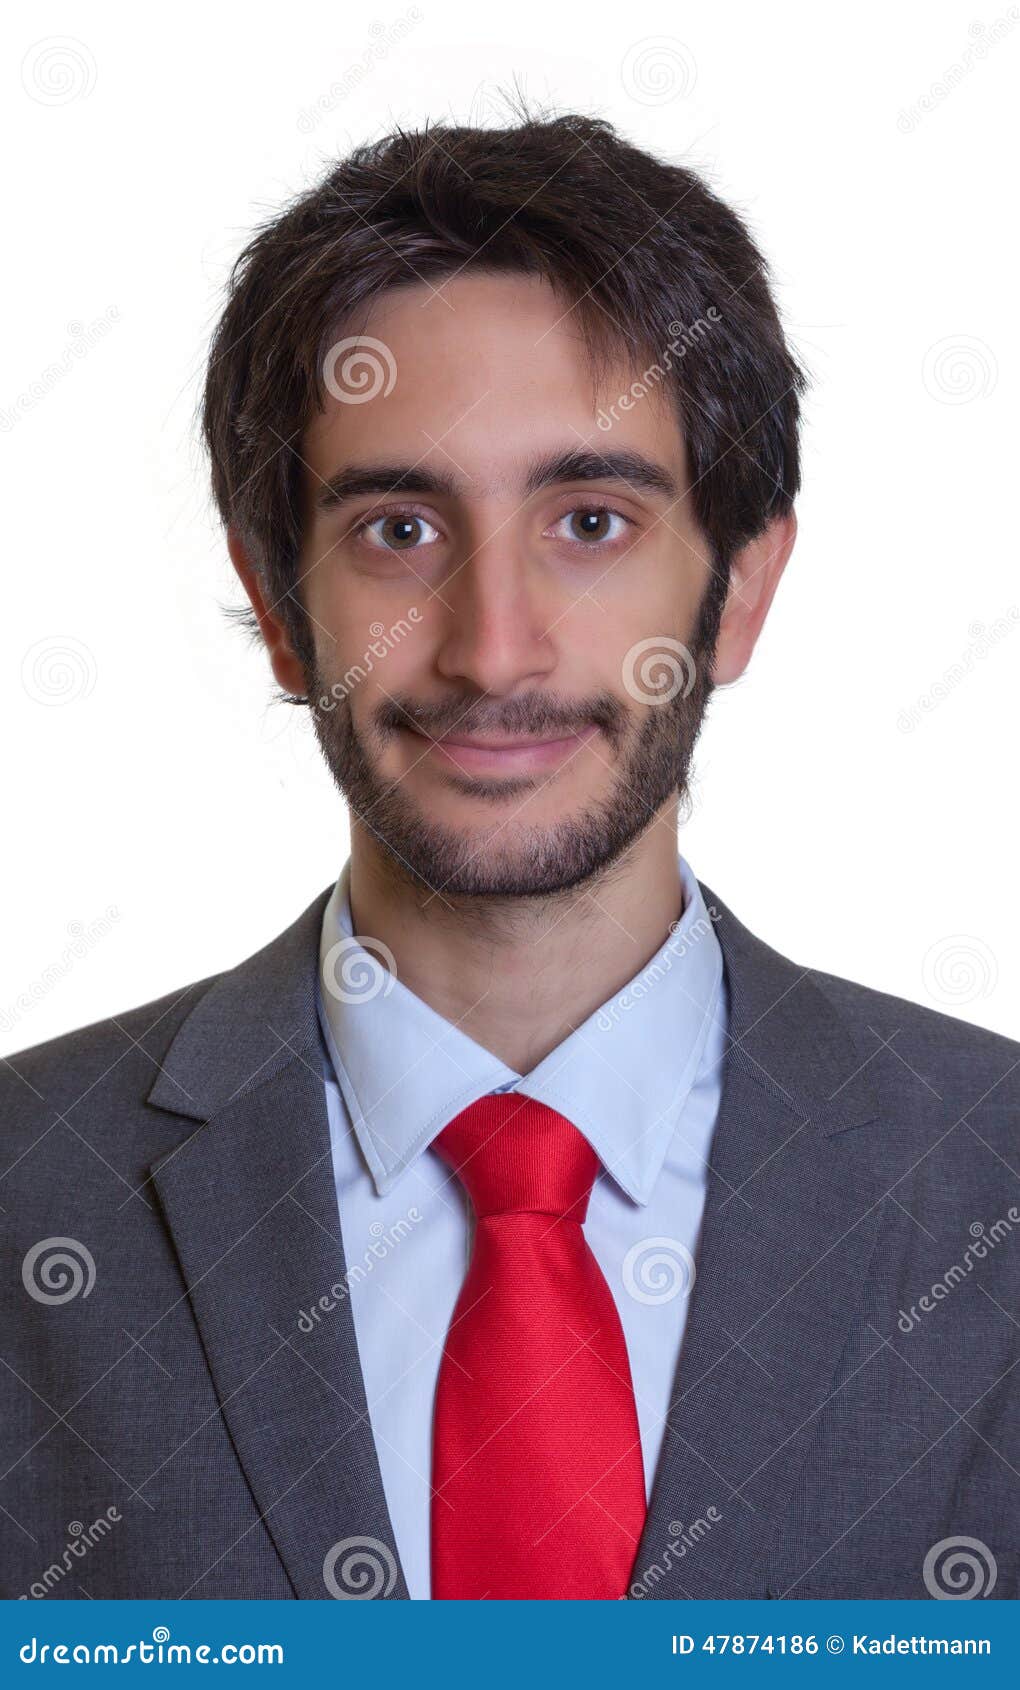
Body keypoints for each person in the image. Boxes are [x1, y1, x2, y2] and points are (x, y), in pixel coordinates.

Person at [2, 108, 1018, 1604]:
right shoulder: (31, 1190)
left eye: (591, 519)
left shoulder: (989, 1175)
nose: (494, 649)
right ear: (278, 604)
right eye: (401, 527)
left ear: (738, 591)